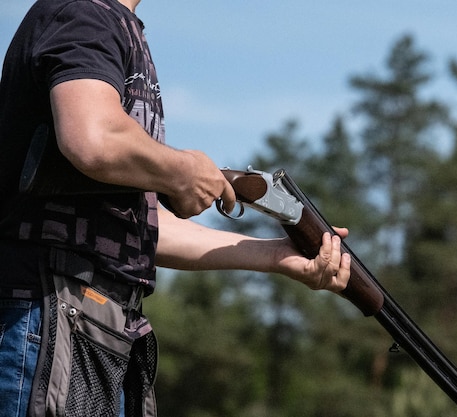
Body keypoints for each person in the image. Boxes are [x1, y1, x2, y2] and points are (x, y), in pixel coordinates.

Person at [0, 0, 351, 416]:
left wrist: (275, 256)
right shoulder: (84, 12)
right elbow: (91, 139)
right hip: (47, 318)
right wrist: (182, 170)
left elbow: (141, 225)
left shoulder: (117, 27)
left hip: (92, 328)